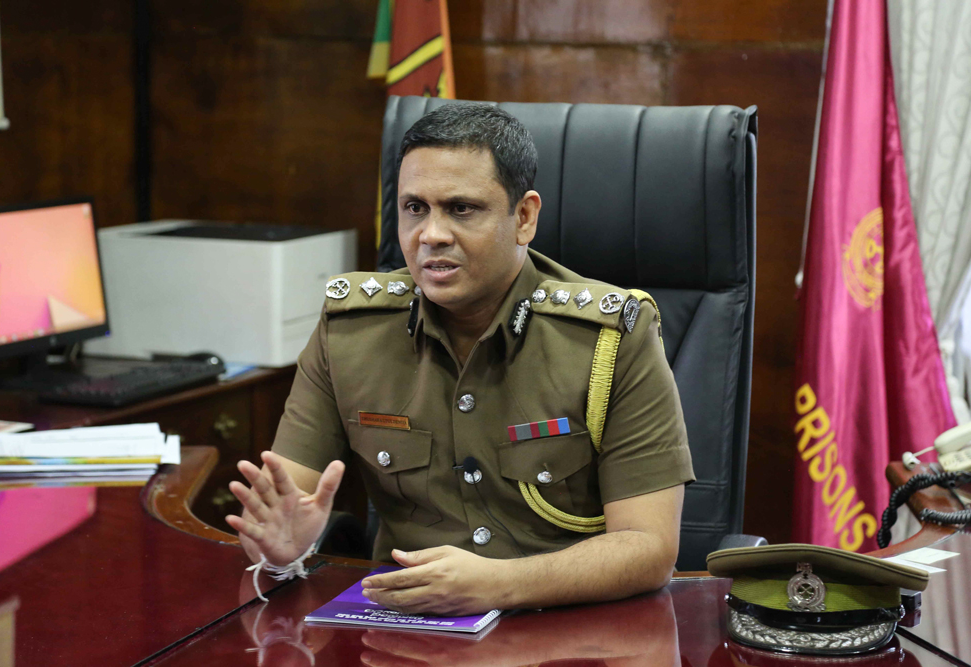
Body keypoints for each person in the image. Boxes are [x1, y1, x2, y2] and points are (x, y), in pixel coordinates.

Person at [226, 103, 695, 616]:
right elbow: (289, 505)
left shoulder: (610, 337)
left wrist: (501, 584)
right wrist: (282, 546)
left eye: (461, 209)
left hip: (567, 629)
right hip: (403, 630)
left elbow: (650, 548)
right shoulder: (350, 330)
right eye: (414, 208)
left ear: (524, 217)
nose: (431, 235)